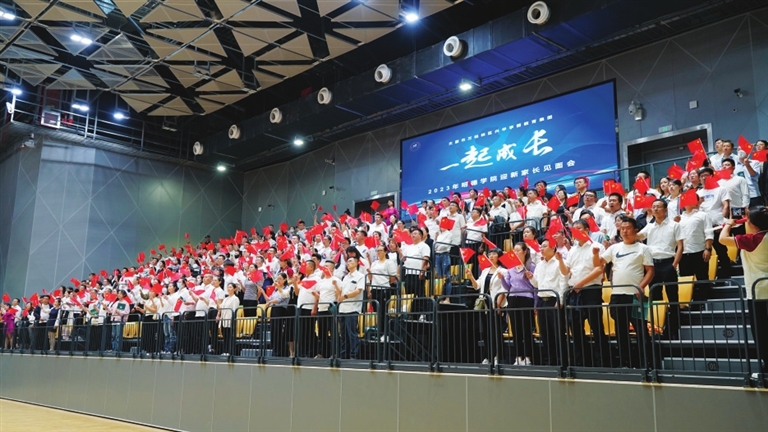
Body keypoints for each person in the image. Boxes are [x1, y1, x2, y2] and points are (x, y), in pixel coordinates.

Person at [718, 207, 768, 378]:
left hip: (759, 293)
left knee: (762, 334)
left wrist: (728, 224)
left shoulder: (752, 239)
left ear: (752, 224)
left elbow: (722, 239)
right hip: (761, 290)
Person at [601, 217, 654, 368]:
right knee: (621, 332)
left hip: (635, 296)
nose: (624, 231)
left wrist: (641, 286)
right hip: (617, 296)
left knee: (641, 331)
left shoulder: (643, 248)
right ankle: (626, 364)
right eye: (622, 228)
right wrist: (597, 252)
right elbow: (599, 262)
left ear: (635, 230)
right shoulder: (614, 248)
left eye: (628, 228)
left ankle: (647, 364)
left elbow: (650, 271)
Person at [560, 219, 608, 367]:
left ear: (587, 230)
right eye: (573, 229)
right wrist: (560, 260)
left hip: (591, 290)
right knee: (575, 328)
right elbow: (566, 271)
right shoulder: (572, 250)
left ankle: (602, 362)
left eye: (579, 228)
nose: (576, 231)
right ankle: (581, 362)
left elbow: (599, 269)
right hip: (574, 292)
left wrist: (581, 283)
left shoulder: (597, 246)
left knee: (596, 326)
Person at [637, 199, 684, 339]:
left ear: (665, 209)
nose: (655, 209)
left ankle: (674, 330)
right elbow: (638, 236)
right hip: (652, 265)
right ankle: (658, 329)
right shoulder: (650, 226)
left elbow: (680, 246)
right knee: (655, 298)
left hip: (668, 263)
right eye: (653, 207)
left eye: (658, 207)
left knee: (672, 298)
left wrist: (674, 264)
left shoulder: (674, 225)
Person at [528, 239, 569, 366]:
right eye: (541, 247)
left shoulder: (559, 262)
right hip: (542, 301)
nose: (541, 249)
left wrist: (560, 299)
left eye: (544, 246)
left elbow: (563, 281)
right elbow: (537, 284)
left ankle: (562, 363)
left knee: (558, 333)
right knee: (545, 334)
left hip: (554, 300)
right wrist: (531, 278)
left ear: (553, 247)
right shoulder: (539, 265)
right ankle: (550, 363)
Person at [465, 248, 508, 365]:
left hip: (496, 303)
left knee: (496, 331)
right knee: (485, 331)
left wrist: (498, 305)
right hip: (484, 303)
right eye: (490, 254)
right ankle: (488, 356)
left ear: (499, 256)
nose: (491, 256)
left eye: (494, 254)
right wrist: (471, 276)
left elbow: (504, 289)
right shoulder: (485, 271)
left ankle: (497, 356)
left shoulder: (503, 271)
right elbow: (477, 286)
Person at [500, 242, 537, 366]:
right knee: (516, 330)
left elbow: (535, 287)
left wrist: (535, 303)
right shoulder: (511, 268)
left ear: (525, 252)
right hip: (512, 299)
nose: (515, 253)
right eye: (514, 250)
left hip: (526, 299)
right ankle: (518, 356)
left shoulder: (531, 266)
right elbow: (507, 287)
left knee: (526, 329)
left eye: (518, 250)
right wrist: (501, 278)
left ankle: (528, 357)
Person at [677, 196, 714, 304]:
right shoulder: (679, 218)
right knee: (686, 280)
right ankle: (688, 304)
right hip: (684, 253)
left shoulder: (703, 215)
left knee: (702, 278)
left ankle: (705, 303)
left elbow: (709, 233)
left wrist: (708, 248)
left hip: (699, 251)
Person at [337, 257, 365, 360]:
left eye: (350, 261)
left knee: (352, 334)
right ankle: (344, 355)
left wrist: (345, 297)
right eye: (347, 261)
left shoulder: (360, 276)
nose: (348, 263)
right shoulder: (345, 277)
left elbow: (358, 291)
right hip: (342, 309)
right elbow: (340, 291)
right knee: (343, 335)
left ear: (356, 263)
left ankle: (354, 356)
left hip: (353, 309)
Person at [217, 283, 240, 357]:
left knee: (229, 336)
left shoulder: (235, 298)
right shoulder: (225, 299)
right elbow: (221, 307)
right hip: (223, 319)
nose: (228, 289)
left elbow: (234, 310)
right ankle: (225, 351)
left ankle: (230, 352)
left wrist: (232, 319)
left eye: (230, 287)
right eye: (228, 287)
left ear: (234, 289)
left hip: (230, 320)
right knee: (225, 336)